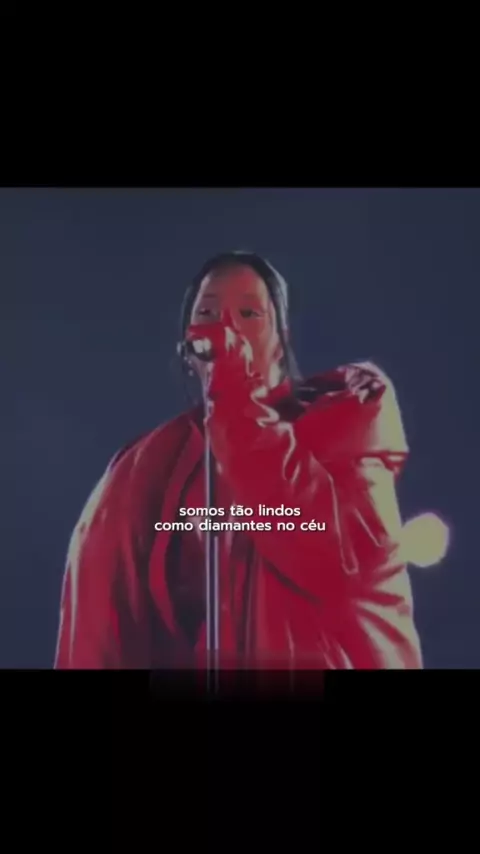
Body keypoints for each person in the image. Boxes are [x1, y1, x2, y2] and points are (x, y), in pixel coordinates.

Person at [54, 251, 423, 669]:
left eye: (249, 313)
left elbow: (335, 557)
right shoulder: (148, 470)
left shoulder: (347, 423)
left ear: (281, 338)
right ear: (188, 343)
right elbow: (104, 631)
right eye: (208, 314)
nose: (227, 329)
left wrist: (235, 398)